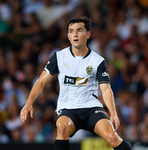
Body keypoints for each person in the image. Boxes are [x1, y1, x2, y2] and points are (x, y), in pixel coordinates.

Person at [20, 16, 132, 150]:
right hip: (68, 109)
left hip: (91, 108)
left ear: (88, 34)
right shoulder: (59, 57)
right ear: (68, 35)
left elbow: (106, 89)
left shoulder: (97, 61)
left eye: (79, 30)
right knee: (61, 129)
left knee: (112, 136)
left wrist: (113, 113)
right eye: (71, 31)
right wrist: (28, 103)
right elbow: (41, 82)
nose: (75, 34)